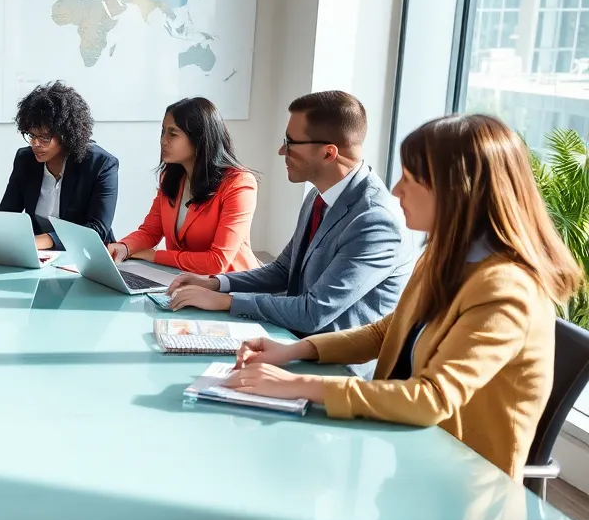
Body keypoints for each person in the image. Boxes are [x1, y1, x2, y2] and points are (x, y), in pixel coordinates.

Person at [224, 113, 581, 481]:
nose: (395, 190)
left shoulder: (506, 288)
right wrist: (296, 351)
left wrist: (296, 385)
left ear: (457, 189)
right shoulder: (444, 255)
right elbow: (387, 331)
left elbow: (432, 399)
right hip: (402, 455)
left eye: (411, 179)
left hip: (458, 487)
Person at [167, 91, 411, 336]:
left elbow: (313, 312)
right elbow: (283, 271)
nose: (282, 151)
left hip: (334, 365)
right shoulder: (318, 196)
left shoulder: (375, 220)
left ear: (328, 153)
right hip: (292, 341)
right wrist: (215, 283)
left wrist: (226, 301)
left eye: (290, 142)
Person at [108, 97, 258, 275]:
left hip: (229, 286)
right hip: (182, 280)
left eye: (173, 134)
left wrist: (154, 256)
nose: (163, 140)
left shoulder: (239, 184)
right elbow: (150, 231)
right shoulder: (171, 178)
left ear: (199, 138)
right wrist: (124, 247)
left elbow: (217, 262)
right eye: (163, 132)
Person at [0, 81, 119, 249]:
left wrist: (46, 240)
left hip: (87, 256)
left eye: (44, 137)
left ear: (66, 135)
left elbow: (96, 230)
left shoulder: (100, 165)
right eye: (31, 135)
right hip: (40, 255)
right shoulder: (25, 160)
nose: (35, 144)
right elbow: (7, 215)